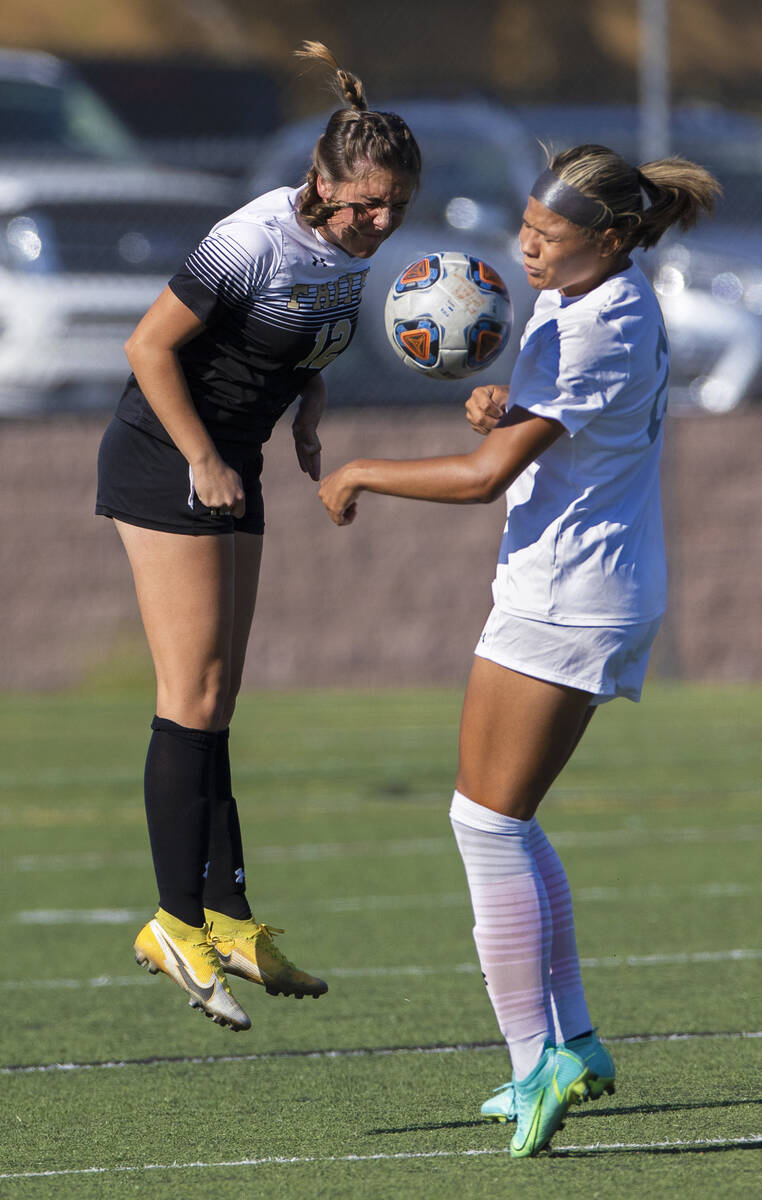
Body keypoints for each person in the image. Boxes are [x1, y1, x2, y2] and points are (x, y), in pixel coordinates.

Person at [319, 144, 720, 1155]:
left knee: (486, 826)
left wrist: (361, 468)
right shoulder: (591, 295)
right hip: (581, 586)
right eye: (525, 230)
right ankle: (574, 1042)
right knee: (507, 821)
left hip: (569, 598)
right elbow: (547, 433)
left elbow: (486, 479)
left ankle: (532, 1058)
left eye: (548, 237)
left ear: (614, 238)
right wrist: (508, 406)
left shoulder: (597, 321)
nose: (526, 248)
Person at [95, 41, 421, 1032]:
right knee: (186, 694)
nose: (380, 222)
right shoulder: (256, 236)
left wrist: (310, 415)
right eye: (365, 203)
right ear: (321, 182)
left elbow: (300, 342)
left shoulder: (346, 254)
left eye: (395, 206)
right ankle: (171, 921)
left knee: (217, 699)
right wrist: (201, 457)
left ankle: (230, 915)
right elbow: (149, 346)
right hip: (170, 459)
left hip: (238, 462)